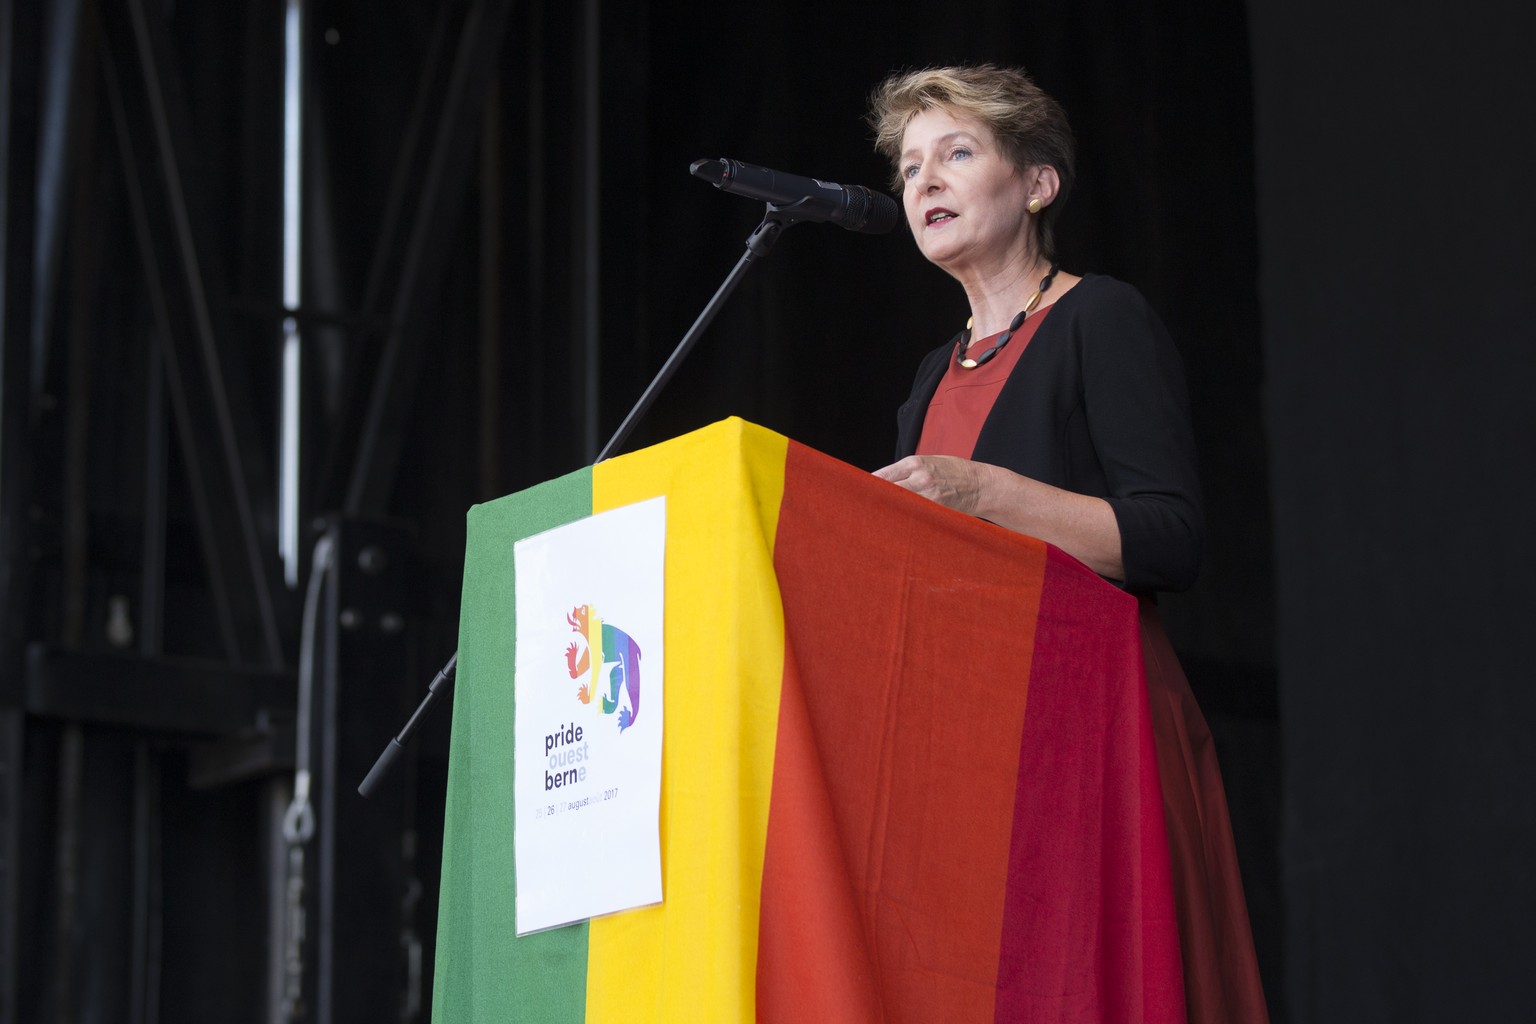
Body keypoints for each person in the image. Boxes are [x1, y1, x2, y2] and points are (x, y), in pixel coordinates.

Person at [867, 64, 1270, 1023]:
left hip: (1095, 730)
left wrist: (986, 493)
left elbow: (1171, 539)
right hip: (968, 751)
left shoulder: (1101, 319)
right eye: (911, 165)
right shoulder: (930, 376)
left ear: (1039, 183)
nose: (925, 181)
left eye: (957, 154)